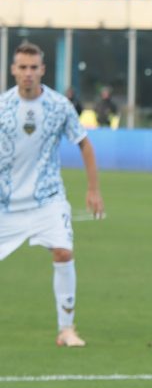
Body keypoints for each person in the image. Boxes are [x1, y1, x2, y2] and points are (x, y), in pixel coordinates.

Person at [1, 42, 105, 347]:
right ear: (13, 70)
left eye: (34, 68)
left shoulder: (59, 106)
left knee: (63, 251)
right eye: (22, 67)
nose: (28, 73)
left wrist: (93, 189)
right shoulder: (3, 107)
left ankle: (67, 329)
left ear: (43, 70)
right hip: (6, 202)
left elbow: (84, 143)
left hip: (48, 198)